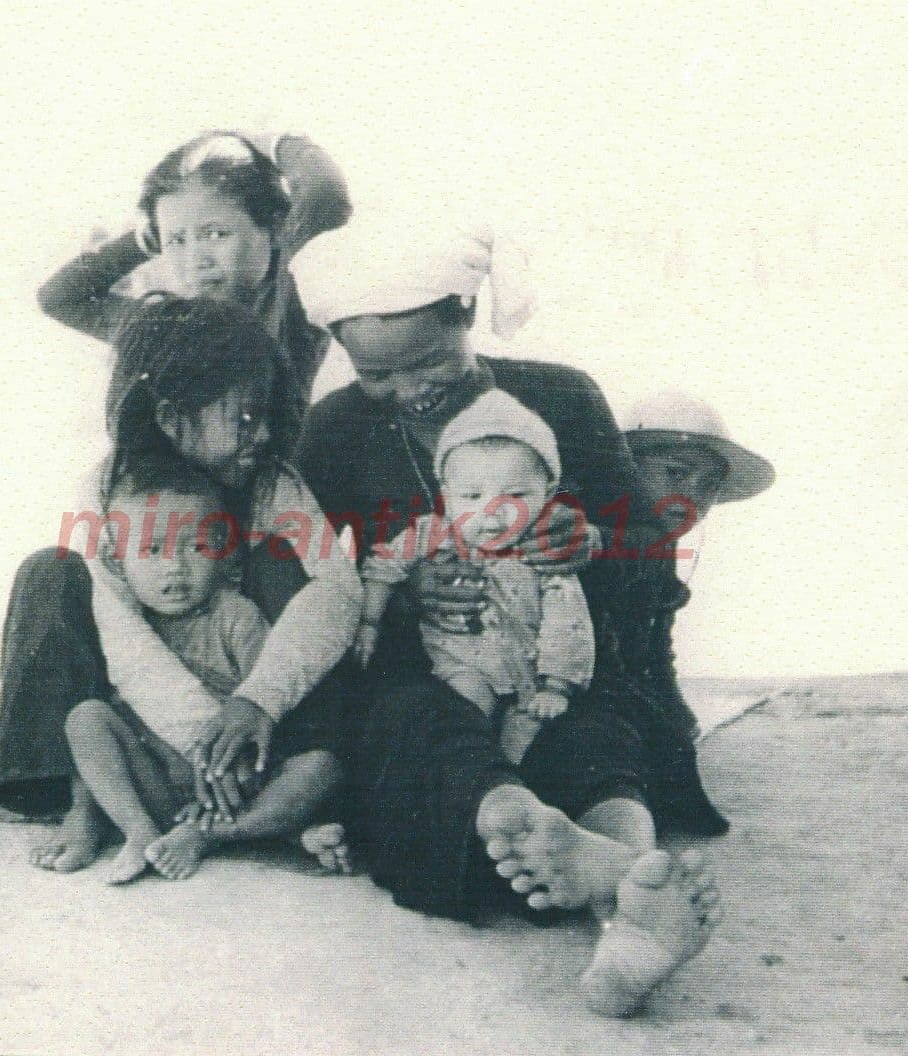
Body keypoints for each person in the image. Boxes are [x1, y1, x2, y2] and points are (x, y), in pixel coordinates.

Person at [288, 214, 724, 1015]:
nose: (408, 390)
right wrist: (405, 587)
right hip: (429, 680)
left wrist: (593, 541)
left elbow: (655, 555)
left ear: (467, 314)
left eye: (428, 362)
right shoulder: (338, 428)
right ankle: (588, 859)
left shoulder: (559, 395)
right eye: (377, 375)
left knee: (592, 729)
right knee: (418, 722)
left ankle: (625, 902)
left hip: (564, 667)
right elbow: (310, 573)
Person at [0, 297, 360, 876]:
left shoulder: (270, 486)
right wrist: (208, 752)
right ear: (170, 418)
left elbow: (338, 588)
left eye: (266, 415)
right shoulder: (105, 490)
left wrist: (255, 701)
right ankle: (81, 800)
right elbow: (117, 635)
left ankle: (256, 793)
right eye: (242, 418)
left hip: (240, 695)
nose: (263, 433)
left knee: (279, 562)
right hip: (145, 706)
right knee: (51, 572)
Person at [60, 459, 342, 883]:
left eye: (195, 547)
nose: (175, 567)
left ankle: (209, 834)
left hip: (240, 782)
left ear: (226, 554)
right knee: (85, 719)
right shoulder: (124, 623)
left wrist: (244, 763)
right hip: (161, 778)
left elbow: (271, 709)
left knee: (322, 767)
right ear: (118, 565)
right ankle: (141, 832)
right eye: (152, 550)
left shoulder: (236, 617)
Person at [354, 389, 594, 763]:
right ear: (446, 496)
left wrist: (557, 687)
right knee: (465, 711)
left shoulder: (544, 554)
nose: (491, 514)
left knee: (530, 725)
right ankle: (475, 772)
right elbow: (385, 565)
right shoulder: (433, 533)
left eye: (514, 495)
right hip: (461, 664)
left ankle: (512, 780)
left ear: (547, 495)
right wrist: (369, 622)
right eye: (471, 496)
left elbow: (569, 625)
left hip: (529, 670)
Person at [36, 130, 351, 414]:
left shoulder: (286, 295)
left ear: (274, 226)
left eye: (215, 234)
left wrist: (268, 140)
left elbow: (325, 191)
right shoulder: (174, 325)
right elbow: (61, 298)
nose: (195, 260)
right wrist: (142, 241)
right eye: (176, 241)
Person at [619, 390, 776, 739]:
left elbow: (655, 649)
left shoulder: (662, 547)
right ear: (629, 469)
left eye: (708, 484)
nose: (691, 494)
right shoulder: (595, 539)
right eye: (675, 474)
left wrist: (678, 717)